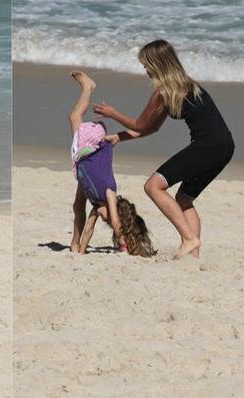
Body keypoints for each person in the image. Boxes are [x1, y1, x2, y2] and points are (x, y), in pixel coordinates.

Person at [93, 39, 235, 259]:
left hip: (208, 146)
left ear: (158, 64)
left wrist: (113, 113)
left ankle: (189, 239)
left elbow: (140, 124)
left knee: (153, 186)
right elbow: (152, 128)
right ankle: (192, 255)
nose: (145, 70)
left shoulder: (164, 91)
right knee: (184, 200)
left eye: (147, 65)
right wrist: (119, 138)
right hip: (224, 146)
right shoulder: (185, 85)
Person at [68, 71, 156, 257]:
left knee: (78, 205)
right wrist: (123, 242)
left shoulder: (97, 206)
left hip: (87, 169)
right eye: (108, 218)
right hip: (90, 150)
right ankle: (88, 87)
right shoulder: (109, 192)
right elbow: (116, 222)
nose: (105, 219)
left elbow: (89, 231)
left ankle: (74, 245)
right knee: (75, 117)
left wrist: (81, 252)